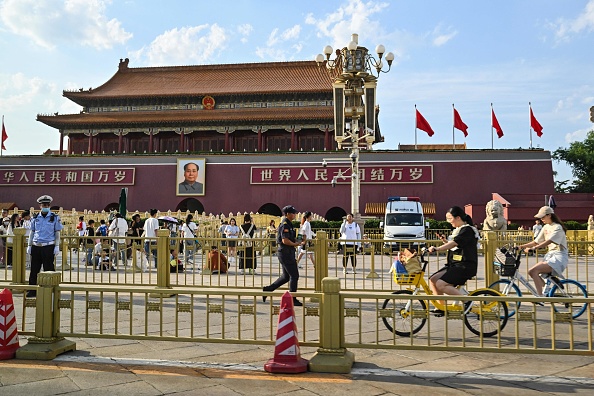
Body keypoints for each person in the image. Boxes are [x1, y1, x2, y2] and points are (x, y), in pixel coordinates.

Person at [427, 206, 480, 316]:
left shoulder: (468, 230)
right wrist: (444, 241)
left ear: (458, 218)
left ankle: (467, 301)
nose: (448, 222)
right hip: (455, 265)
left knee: (441, 284)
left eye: (449, 218)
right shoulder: (459, 231)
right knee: (433, 279)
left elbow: (455, 243)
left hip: (465, 266)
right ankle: (441, 307)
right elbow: (456, 245)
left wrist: (438, 249)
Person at [519, 206, 568, 296]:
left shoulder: (558, 227)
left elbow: (549, 241)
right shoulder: (545, 227)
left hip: (559, 257)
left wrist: (534, 249)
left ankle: (540, 297)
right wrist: (521, 246)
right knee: (531, 272)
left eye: (543, 217)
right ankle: (545, 291)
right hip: (550, 256)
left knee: (534, 271)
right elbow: (536, 241)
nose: (541, 219)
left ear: (549, 215)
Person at [263, 205, 304, 307]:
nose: (294, 214)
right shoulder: (285, 224)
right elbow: (285, 240)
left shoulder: (289, 224)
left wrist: (300, 240)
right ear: (287, 214)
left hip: (287, 252)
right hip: (285, 253)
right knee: (294, 275)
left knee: (286, 277)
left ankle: (268, 289)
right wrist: (296, 244)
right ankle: (292, 299)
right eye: (293, 213)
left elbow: (291, 238)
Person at [26, 195, 64, 297]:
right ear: (40, 206)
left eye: (47, 205)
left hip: (48, 246)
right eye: (43, 205)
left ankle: (51, 289)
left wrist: (57, 246)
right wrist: (29, 245)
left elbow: (57, 232)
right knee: (34, 269)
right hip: (36, 245)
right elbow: (32, 232)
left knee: (49, 268)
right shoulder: (35, 217)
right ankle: (32, 289)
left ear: (49, 206)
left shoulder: (54, 217)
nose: (45, 206)